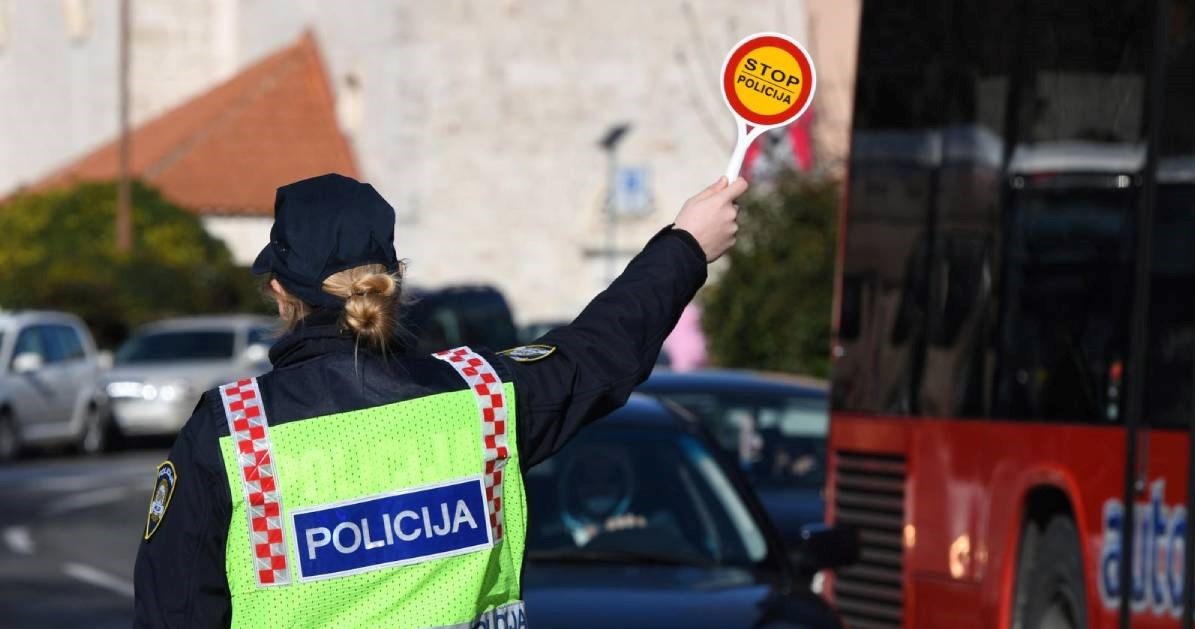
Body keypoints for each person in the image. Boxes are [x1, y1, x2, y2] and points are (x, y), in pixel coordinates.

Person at [133, 171, 747, 627]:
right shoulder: (480, 399)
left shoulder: (234, 433)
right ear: (395, 277)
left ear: (278, 291)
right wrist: (686, 244)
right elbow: (599, 350)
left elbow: (172, 613)